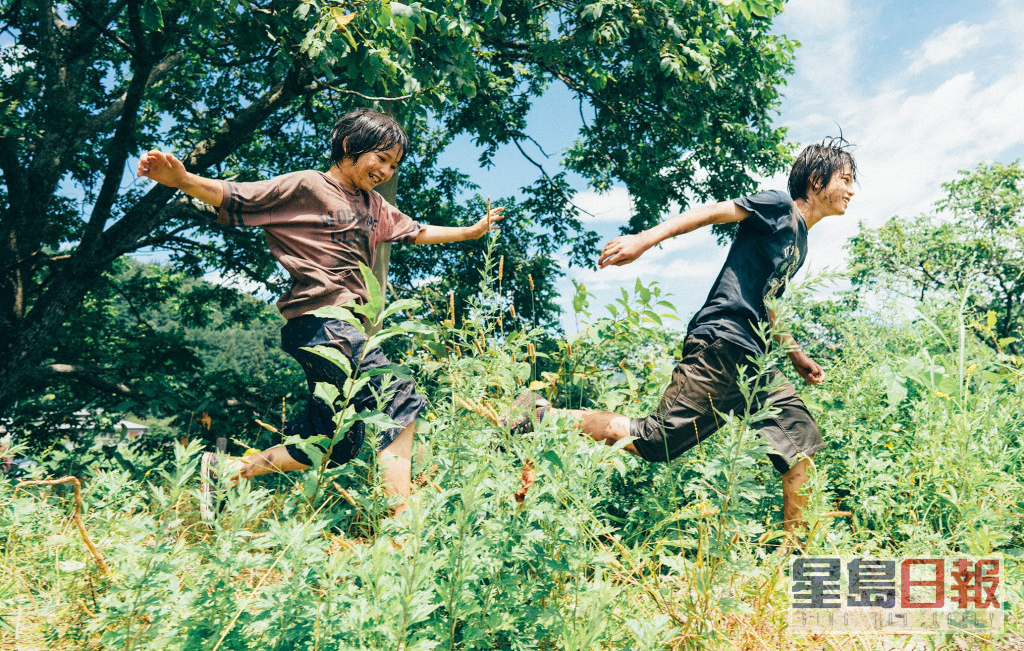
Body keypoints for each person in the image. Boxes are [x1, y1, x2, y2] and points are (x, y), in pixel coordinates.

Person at [137, 109, 503, 519]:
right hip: (321, 323)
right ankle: (401, 530)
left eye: (394, 164)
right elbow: (240, 195)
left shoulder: (375, 206)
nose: (386, 170)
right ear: (349, 147)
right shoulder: (309, 185)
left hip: (336, 329)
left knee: (333, 442)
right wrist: (183, 181)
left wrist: (471, 232)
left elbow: (415, 231)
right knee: (398, 398)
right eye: (380, 158)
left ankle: (228, 469)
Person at [504, 139, 857, 533]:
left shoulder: (800, 239)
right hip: (723, 342)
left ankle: (795, 559)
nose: (851, 190)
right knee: (656, 442)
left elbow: (770, 299)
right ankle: (539, 414)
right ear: (816, 179)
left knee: (800, 444)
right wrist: (644, 240)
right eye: (845, 179)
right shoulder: (778, 206)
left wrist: (795, 354)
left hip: (755, 359)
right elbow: (713, 213)